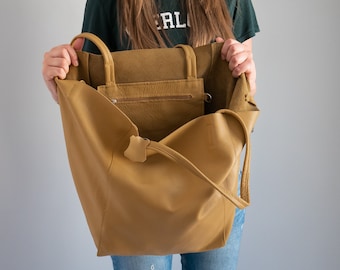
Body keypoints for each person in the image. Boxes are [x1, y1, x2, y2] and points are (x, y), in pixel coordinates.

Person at [42, 0, 259, 269]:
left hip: (215, 183)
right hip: (135, 187)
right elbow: (93, 101)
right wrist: (60, 84)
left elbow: (243, 92)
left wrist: (247, 73)